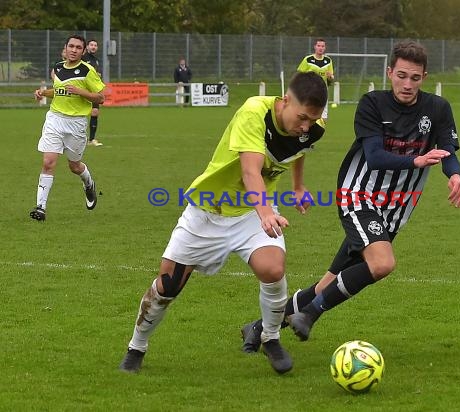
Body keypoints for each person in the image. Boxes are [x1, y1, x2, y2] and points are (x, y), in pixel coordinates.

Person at [241, 40, 460, 352]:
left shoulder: (438, 109)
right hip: (359, 196)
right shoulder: (372, 103)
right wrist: (415, 160)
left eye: (415, 78)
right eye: (401, 75)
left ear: (424, 77)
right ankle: (310, 314)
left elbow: (448, 150)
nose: (407, 84)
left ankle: (258, 328)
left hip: (397, 209)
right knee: (382, 263)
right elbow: (374, 157)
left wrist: (455, 173)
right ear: (390, 73)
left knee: (327, 283)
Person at [118, 71, 328, 375]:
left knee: (273, 268)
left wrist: (297, 187)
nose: (305, 126)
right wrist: (266, 212)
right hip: (208, 211)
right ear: (285, 101)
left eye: (312, 120)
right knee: (168, 286)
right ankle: (137, 346)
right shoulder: (255, 112)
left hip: (250, 214)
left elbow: (301, 149)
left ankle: (270, 337)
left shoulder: (313, 127)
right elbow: (250, 171)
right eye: (302, 117)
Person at [30, 34, 105, 222]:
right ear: (65, 48)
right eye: (71, 46)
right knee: (48, 162)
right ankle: (40, 207)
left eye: (78, 47)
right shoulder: (58, 67)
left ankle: (88, 183)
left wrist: (81, 92)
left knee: (74, 166)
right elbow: (58, 91)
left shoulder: (88, 71)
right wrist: (43, 93)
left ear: (83, 51)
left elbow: (100, 98)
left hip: (76, 123)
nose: (73, 50)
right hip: (55, 118)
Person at [297, 38, 334, 122]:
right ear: (315, 47)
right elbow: (299, 74)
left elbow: (331, 77)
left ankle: (319, 132)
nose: (320, 48)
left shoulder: (328, 61)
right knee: (307, 113)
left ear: (325, 48)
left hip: (323, 90)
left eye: (322, 46)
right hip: (309, 90)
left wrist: (330, 77)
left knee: (323, 117)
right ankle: (305, 133)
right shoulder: (308, 59)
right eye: (318, 46)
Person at [82, 39, 103, 146]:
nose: (93, 47)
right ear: (87, 47)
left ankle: (92, 139)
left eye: (95, 45)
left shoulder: (96, 60)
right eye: (91, 45)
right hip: (83, 89)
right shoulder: (83, 58)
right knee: (81, 113)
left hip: (93, 89)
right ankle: (79, 137)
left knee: (95, 112)